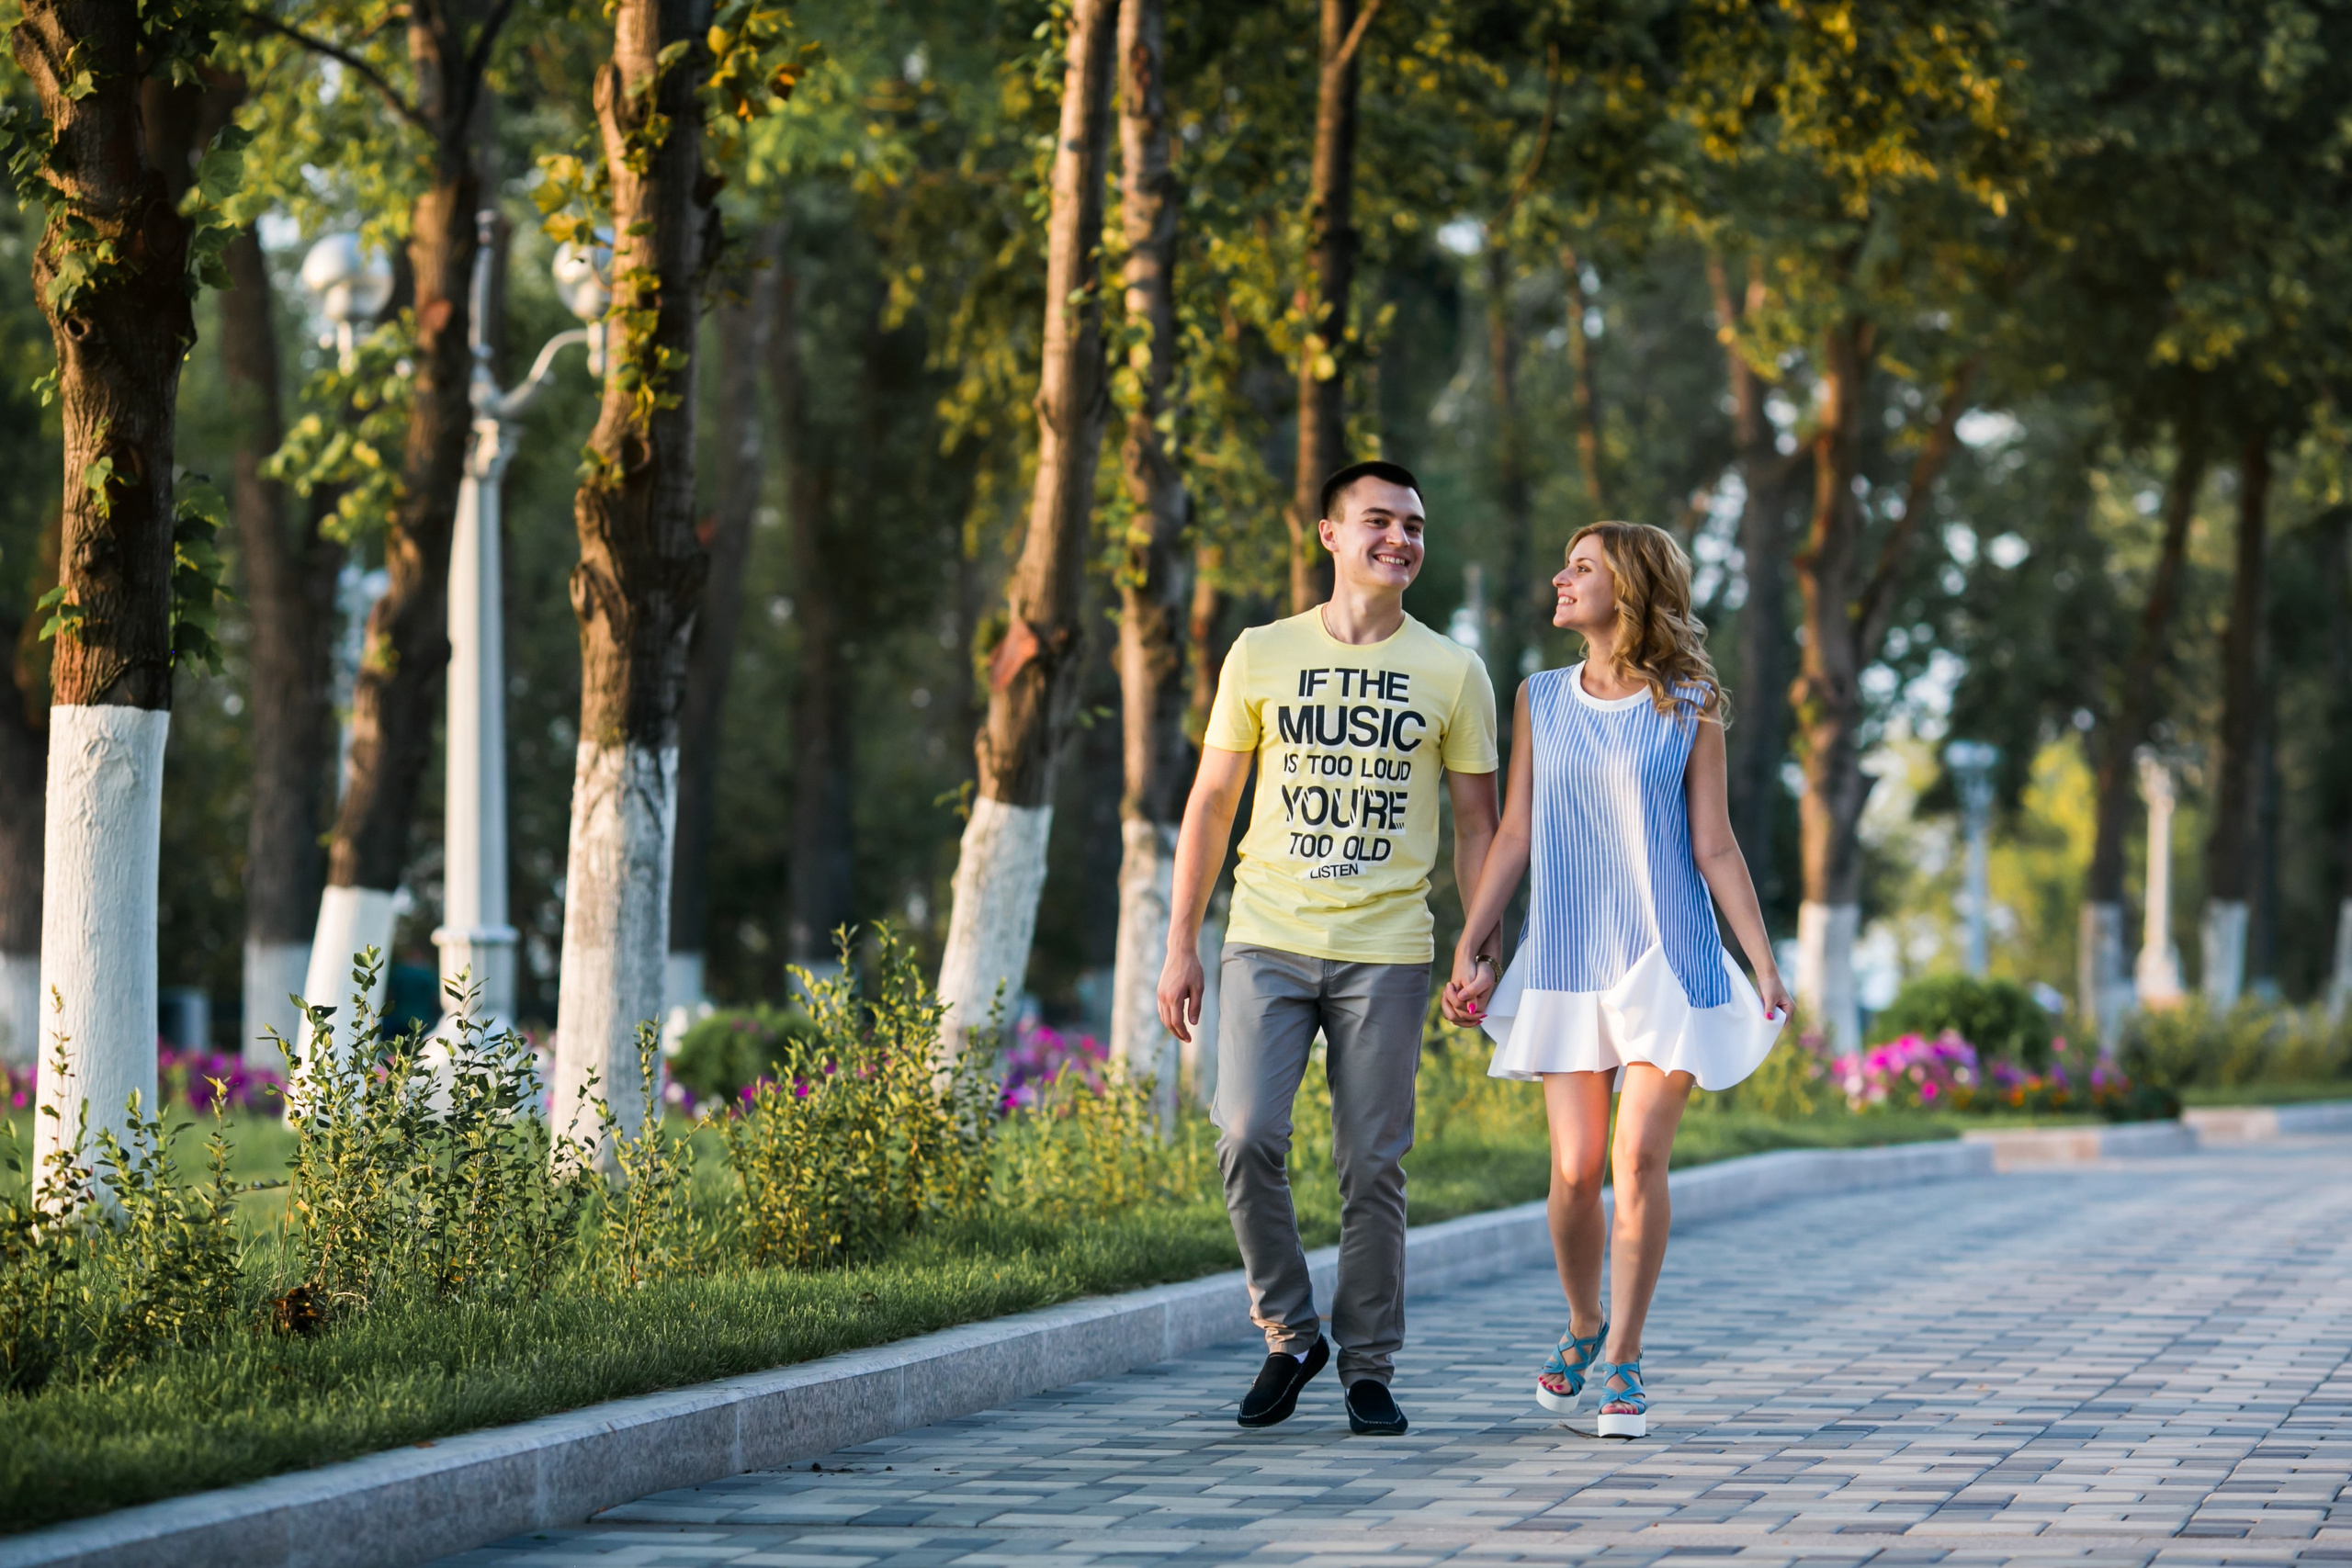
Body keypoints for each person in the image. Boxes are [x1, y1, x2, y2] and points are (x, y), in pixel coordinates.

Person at [1158, 460, 1499, 1438]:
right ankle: (1288, 1332)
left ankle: (1366, 1366)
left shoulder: (1452, 670)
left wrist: (1478, 941)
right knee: (1246, 1136)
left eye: (1416, 527)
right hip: (1264, 936)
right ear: (1330, 535)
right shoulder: (1261, 653)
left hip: (1387, 949)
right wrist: (1180, 941)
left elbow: (1479, 825)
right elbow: (1213, 801)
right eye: (1380, 521)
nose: (1401, 540)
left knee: (1372, 1166)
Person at [1443, 522, 1790, 1440]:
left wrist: (1760, 959)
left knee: (1636, 1159)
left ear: (1627, 587)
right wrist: (1472, 941)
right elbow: (1513, 832)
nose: (1560, 579)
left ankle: (1626, 1362)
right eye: (1563, 564)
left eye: (1582, 567)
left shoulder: (1690, 702)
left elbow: (1713, 843)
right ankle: (1583, 1322)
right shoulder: (1539, 699)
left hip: (1668, 960)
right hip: (1563, 961)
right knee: (1572, 1169)